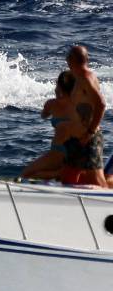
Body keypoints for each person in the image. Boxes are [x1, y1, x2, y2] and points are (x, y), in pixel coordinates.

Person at [21, 71, 79, 181]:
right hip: (75, 153)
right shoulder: (78, 105)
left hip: (57, 152)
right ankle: (60, 174)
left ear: (59, 87)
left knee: (26, 175)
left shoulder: (51, 104)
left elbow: (44, 115)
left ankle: (59, 174)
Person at [64, 45, 106, 187]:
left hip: (88, 138)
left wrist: (90, 132)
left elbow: (101, 104)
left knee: (97, 180)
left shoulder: (86, 78)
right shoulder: (81, 77)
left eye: (68, 56)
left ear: (71, 60)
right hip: (78, 139)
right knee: (69, 177)